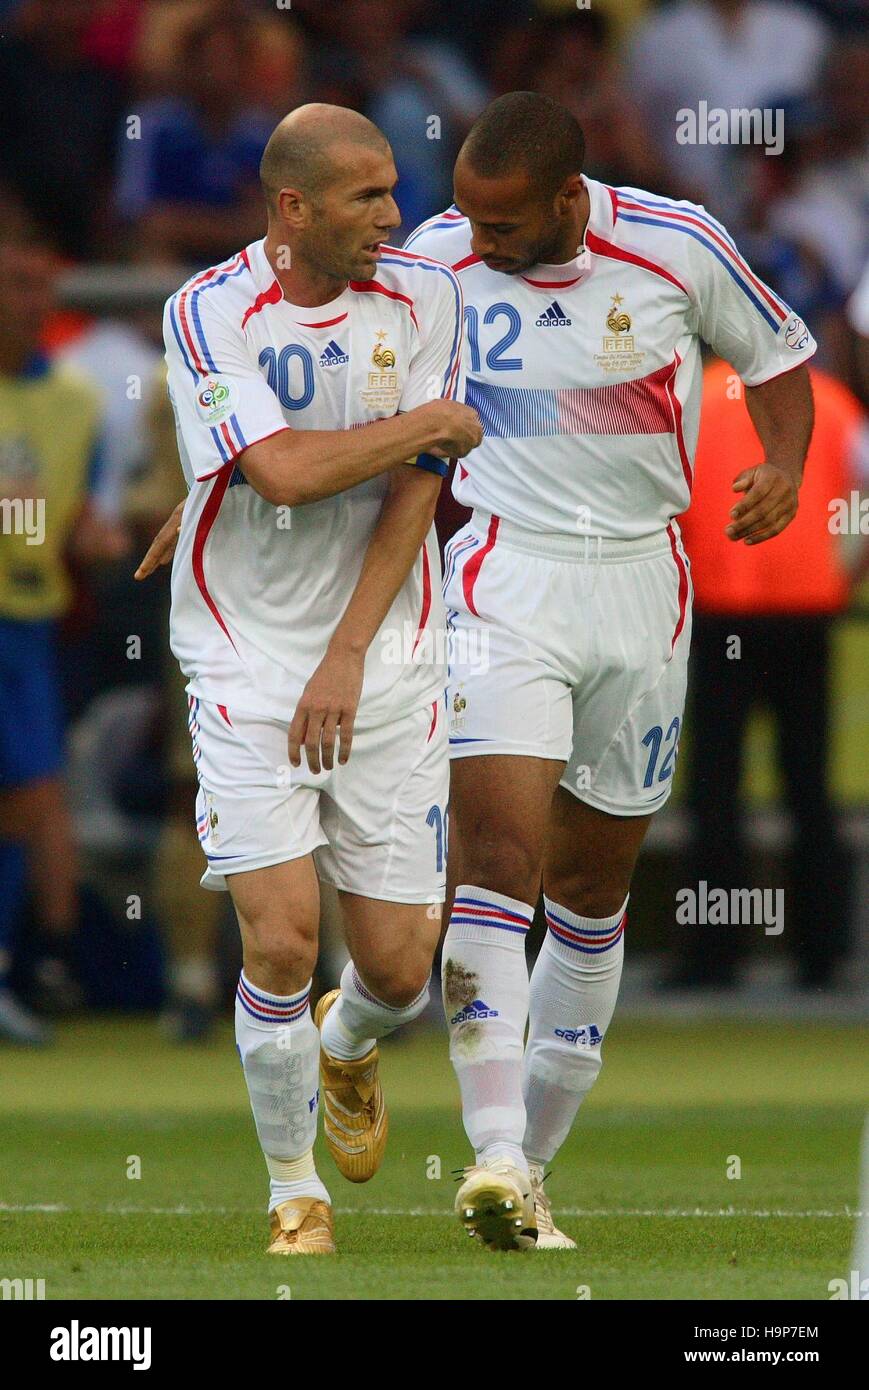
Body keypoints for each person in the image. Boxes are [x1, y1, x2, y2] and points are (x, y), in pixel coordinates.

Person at [404, 90, 816, 1250]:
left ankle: (529, 1170)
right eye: (465, 217)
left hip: (642, 583)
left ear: (566, 200)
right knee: (496, 857)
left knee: (590, 891)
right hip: (500, 572)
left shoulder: (678, 246)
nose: (474, 241)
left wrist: (782, 464)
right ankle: (486, 1153)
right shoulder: (435, 255)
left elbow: (778, 350)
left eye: (500, 224)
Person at [137, 103, 481, 1255]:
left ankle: (346, 1041)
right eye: (367, 197)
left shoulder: (424, 296)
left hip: (382, 647)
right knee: (278, 938)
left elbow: (413, 491)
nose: (395, 215)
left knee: (396, 967)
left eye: (394, 190)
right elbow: (280, 473)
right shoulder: (207, 309)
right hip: (241, 646)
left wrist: (345, 654)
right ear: (291, 209)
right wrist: (429, 421)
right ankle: (295, 1191)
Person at [674, 358, 865, 990]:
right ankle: (822, 955)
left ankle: (712, 956)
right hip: (805, 611)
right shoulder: (832, 401)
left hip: (721, 608)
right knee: (808, 785)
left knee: (714, 786)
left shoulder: (695, 396)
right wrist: (841, 574)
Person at [0, 229, 127, 1044]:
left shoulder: (80, 401)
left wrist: (96, 538)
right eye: (16, 285)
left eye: (41, 287)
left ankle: (32, 961)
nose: (31, 302)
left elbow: (78, 513)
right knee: (32, 800)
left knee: (33, 801)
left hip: (27, 624)